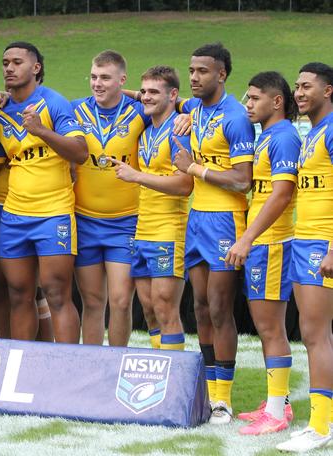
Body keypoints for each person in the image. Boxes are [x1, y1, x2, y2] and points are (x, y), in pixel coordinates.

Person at [0, 41, 87, 343]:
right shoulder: (0, 111)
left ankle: (65, 367)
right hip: (13, 215)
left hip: (53, 213)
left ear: (35, 68)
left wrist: (42, 131)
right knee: (18, 293)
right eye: (5, 62)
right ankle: (22, 366)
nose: (9, 68)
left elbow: (80, 152)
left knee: (56, 292)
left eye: (17, 62)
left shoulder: (53, 103)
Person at [173, 43, 255, 424]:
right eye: (191, 70)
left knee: (221, 308)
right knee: (200, 307)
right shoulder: (193, 108)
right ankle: (207, 390)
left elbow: (242, 180)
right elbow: (155, 98)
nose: (193, 77)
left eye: (202, 71)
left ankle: (223, 398)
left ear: (221, 75)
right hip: (197, 220)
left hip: (225, 221)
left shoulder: (236, 117)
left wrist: (194, 169)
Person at [222, 72, 300, 435]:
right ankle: (277, 402)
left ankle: (277, 412)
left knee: (270, 327)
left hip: (272, 244)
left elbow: (281, 194)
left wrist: (248, 238)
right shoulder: (268, 135)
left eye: (254, 98)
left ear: (277, 101)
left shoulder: (283, 137)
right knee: (268, 326)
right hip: (263, 244)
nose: (247, 104)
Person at [71, 50, 150, 346]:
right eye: (93, 77)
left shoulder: (140, 112)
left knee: (120, 301)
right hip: (85, 220)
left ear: (122, 80)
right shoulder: (75, 109)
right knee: (92, 302)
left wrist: (132, 93)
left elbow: (177, 105)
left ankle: (117, 364)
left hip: (125, 222)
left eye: (105, 77)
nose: (97, 83)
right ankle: (93, 368)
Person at [112, 66, 192, 351]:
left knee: (165, 306)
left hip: (169, 229)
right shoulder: (147, 130)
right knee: (148, 309)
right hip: (142, 229)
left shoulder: (179, 131)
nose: (145, 97)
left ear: (173, 95)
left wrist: (136, 176)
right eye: (143, 92)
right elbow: (133, 95)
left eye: (153, 92)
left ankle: (173, 382)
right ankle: (161, 371)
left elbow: (185, 184)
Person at [276, 62, 333, 452]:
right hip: (304, 241)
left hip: (321, 244)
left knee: (315, 336)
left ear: (328, 91)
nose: (299, 92)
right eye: (296, 86)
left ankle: (320, 425)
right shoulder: (312, 132)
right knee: (317, 336)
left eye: (307, 86)